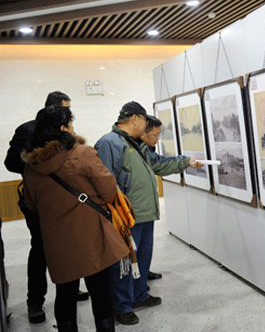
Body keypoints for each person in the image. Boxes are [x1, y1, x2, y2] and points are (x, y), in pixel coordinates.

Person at [22, 106, 129, 332]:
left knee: (65, 293)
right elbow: (109, 191)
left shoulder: (31, 168)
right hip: (91, 233)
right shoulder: (83, 154)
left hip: (56, 239)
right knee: (100, 289)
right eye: (70, 123)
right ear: (63, 128)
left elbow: (31, 205)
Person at [94, 102, 202, 325]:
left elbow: (158, 165)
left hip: (145, 214)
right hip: (126, 217)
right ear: (135, 118)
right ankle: (122, 306)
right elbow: (104, 182)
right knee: (124, 264)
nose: (146, 126)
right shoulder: (110, 143)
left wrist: (186, 162)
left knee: (142, 259)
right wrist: (115, 214)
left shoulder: (136, 144)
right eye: (144, 120)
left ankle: (139, 295)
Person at [4, 91, 89, 324]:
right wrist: (38, 166)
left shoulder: (68, 134)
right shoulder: (27, 130)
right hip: (39, 201)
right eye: (66, 110)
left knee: (71, 243)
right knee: (41, 249)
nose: (70, 118)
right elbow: (11, 162)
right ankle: (35, 302)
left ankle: (71, 286)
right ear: (53, 109)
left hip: (68, 200)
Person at [140, 116, 166, 282]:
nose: (157, 139)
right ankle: (137, 286)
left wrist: (185, 162)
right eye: (155, 135)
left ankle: (142, 276)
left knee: (145, 249)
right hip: (135, 210)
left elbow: (158, 164)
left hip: (146, 208)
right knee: (137, 249)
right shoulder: (117, 146)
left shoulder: (145, 150)